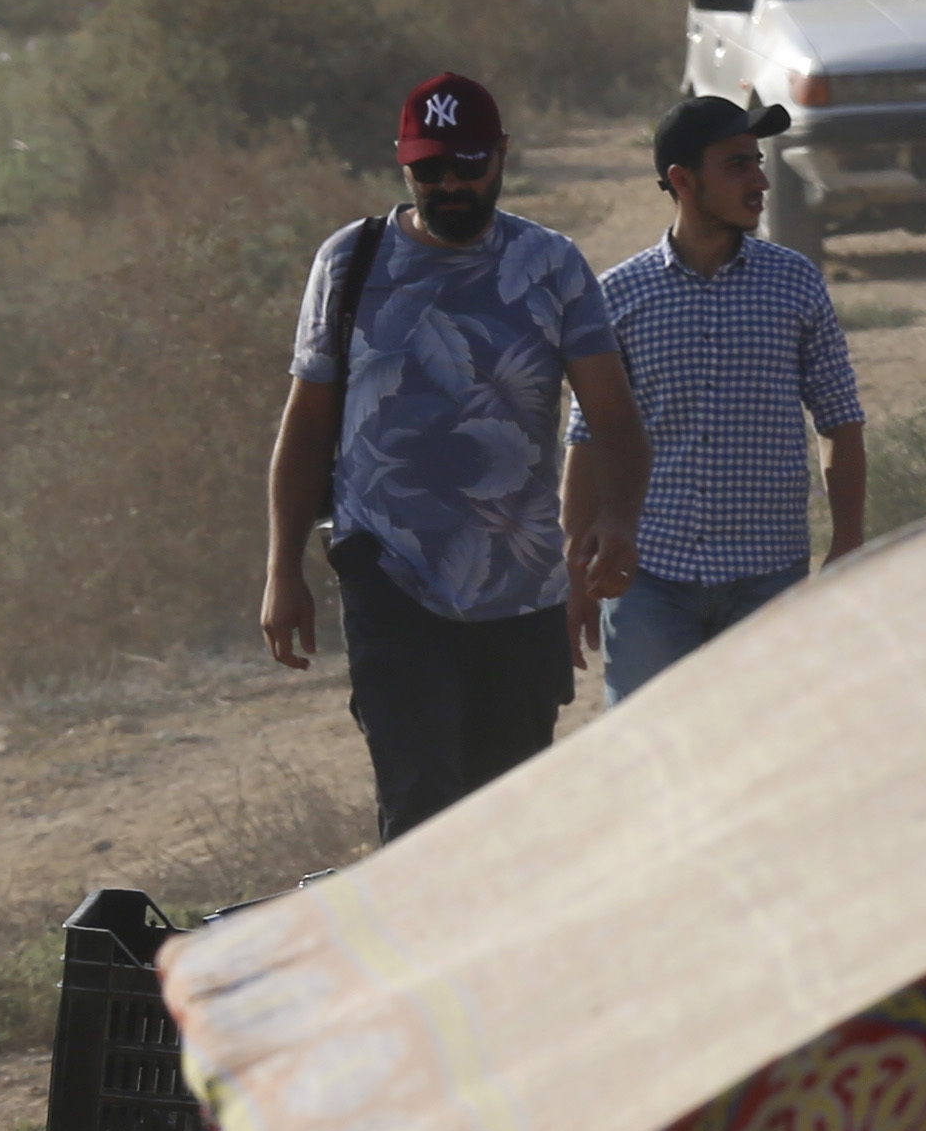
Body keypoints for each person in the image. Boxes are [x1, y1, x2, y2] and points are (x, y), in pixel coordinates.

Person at [262, 71, 643, 836]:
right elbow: (305, 427)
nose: (451, 186)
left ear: (501, 156)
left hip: (521, 592)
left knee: (509, 824)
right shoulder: (350, 263)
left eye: (468, 166)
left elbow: (615, 419)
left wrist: (618, 520)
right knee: (420, 813)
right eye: (429, 169)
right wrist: (282, 568)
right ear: (404, 163)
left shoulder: (551, 266)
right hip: (390, 577)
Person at [591, 91, 866, 700]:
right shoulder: (618, 296)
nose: (760, 181)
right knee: (650, 749)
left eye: (758, 162)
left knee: (766, 751)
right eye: (737, 165)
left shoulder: (795, 284)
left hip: (769, 581)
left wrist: (848, 541)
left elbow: (840, 421)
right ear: (683, 181)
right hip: (651, 581)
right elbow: (589, 436)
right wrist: (575, 561)